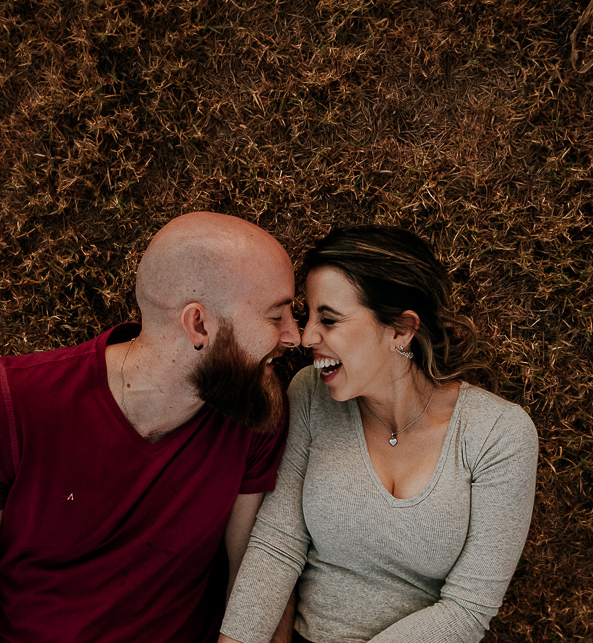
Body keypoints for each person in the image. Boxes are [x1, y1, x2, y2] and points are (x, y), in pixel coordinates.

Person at [0, 212, 301, 643]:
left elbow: (257, 578)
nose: (294, 336)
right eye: (275, 316)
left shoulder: (252, 408)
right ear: (199, 325)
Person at [219, 226, 538, 643]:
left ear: (401, 330)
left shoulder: (498, 435)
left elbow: (468, 608)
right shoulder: (309, 393)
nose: (306, 337)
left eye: (328, 320)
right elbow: (278, 544)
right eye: (309, 316)